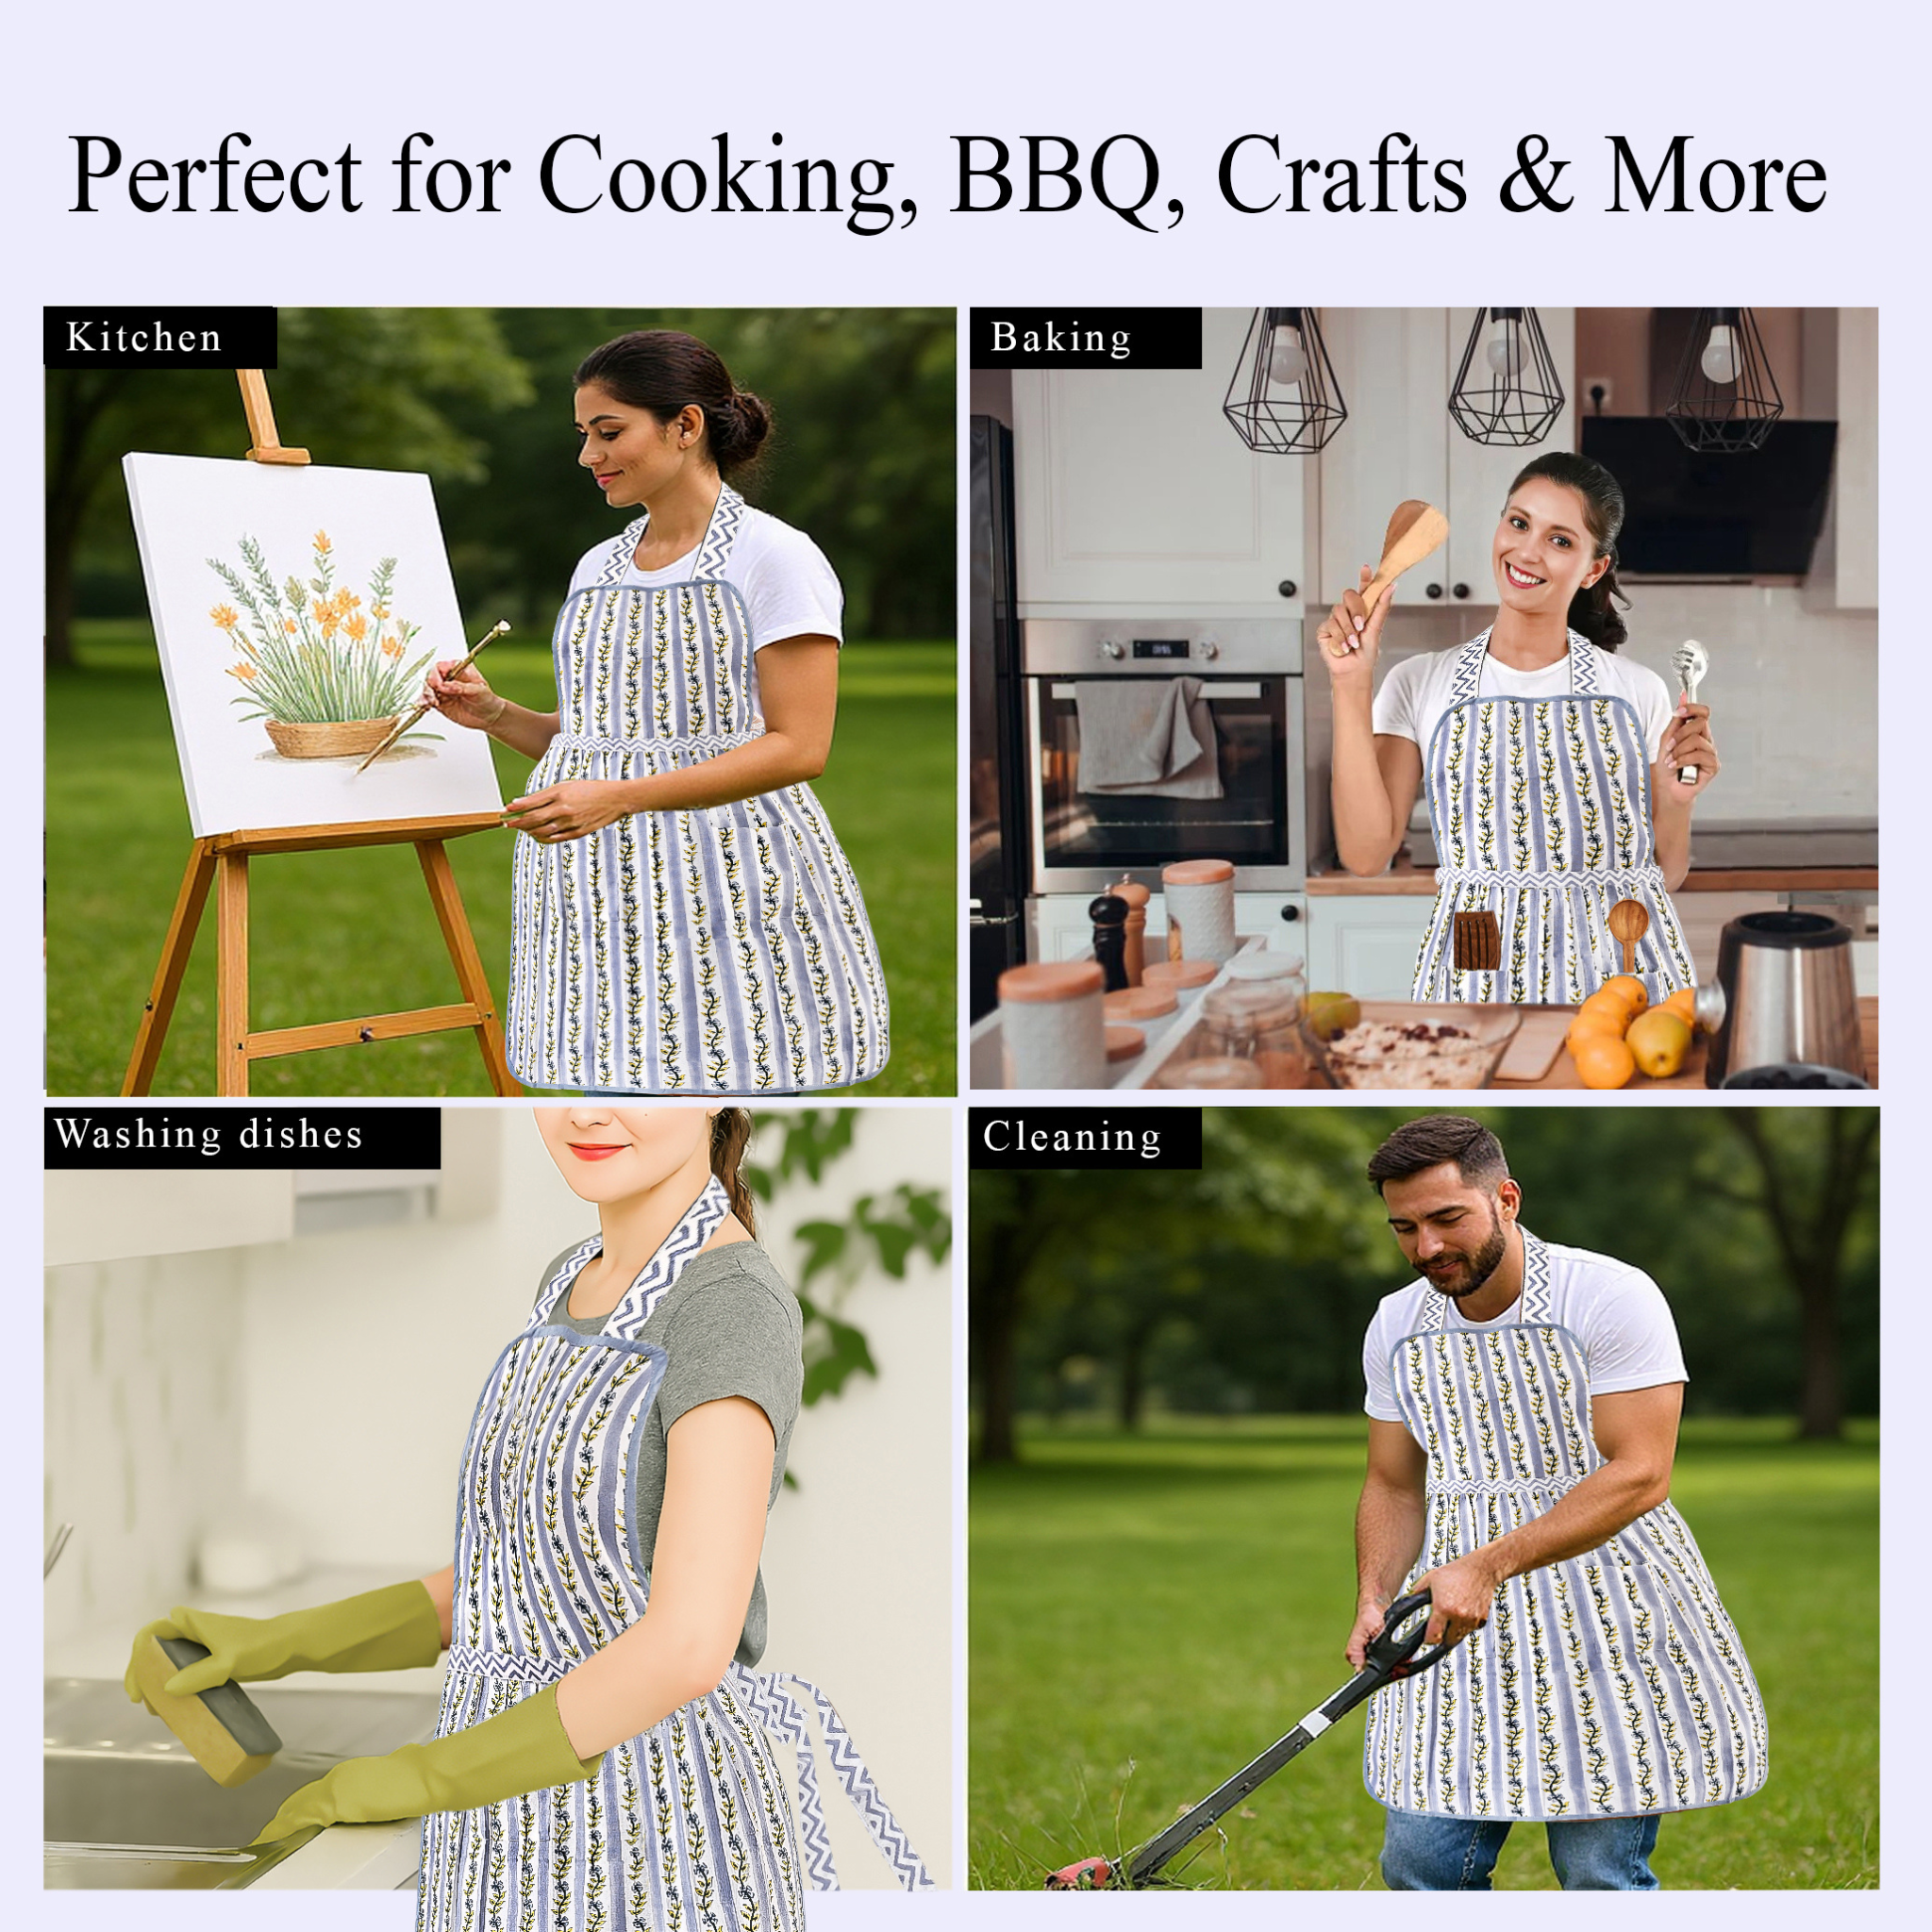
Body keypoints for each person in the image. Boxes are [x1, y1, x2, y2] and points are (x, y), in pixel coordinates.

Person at [125, 1107, 930, 1920]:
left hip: (645, 1838)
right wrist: (277, 1646)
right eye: (570, 1070)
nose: (587, 1109)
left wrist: (420, 1776)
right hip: (502, 1825)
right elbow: (519, 1576)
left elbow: (686, 1646)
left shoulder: (731, 1309)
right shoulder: (570, 1277)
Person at [425, 329, 890, 1093]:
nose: (589, 457)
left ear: (685, 426)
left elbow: (800, 747)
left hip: (726, 879)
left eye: (609, 433)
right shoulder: (598, 565)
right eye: (584, 435)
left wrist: (619, 798)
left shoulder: (774, 558)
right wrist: (496, 713)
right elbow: (595, 742)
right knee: (614, 1096)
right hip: (595, 889)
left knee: (724, 1091)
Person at [1348, 1114, 1765, 1890]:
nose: (1426, 1247)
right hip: (1455, 1626)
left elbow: (1641, 1470)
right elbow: (1394, 1482)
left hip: (1610, 1617)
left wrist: (1491, 1562)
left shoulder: (1608, 1294)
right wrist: (1375, 1596)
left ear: (1506, 1198)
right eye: (1404, 1228)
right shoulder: (1396, 1325)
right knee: (1421, 1864)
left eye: (1447, 1219)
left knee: (1599, 1874)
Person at [1320, 452, 1718, 1004]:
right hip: (1479, 947)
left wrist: (1677, 802)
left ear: (1593, 569)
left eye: (1561, 540)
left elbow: (1665, 874)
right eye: (1519, 522)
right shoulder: (1420, 683)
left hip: (1620, 967)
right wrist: (1350, 681)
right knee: (1491, 1077)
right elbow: (1365, 856)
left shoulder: (1637, 691)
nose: (1527, 550)